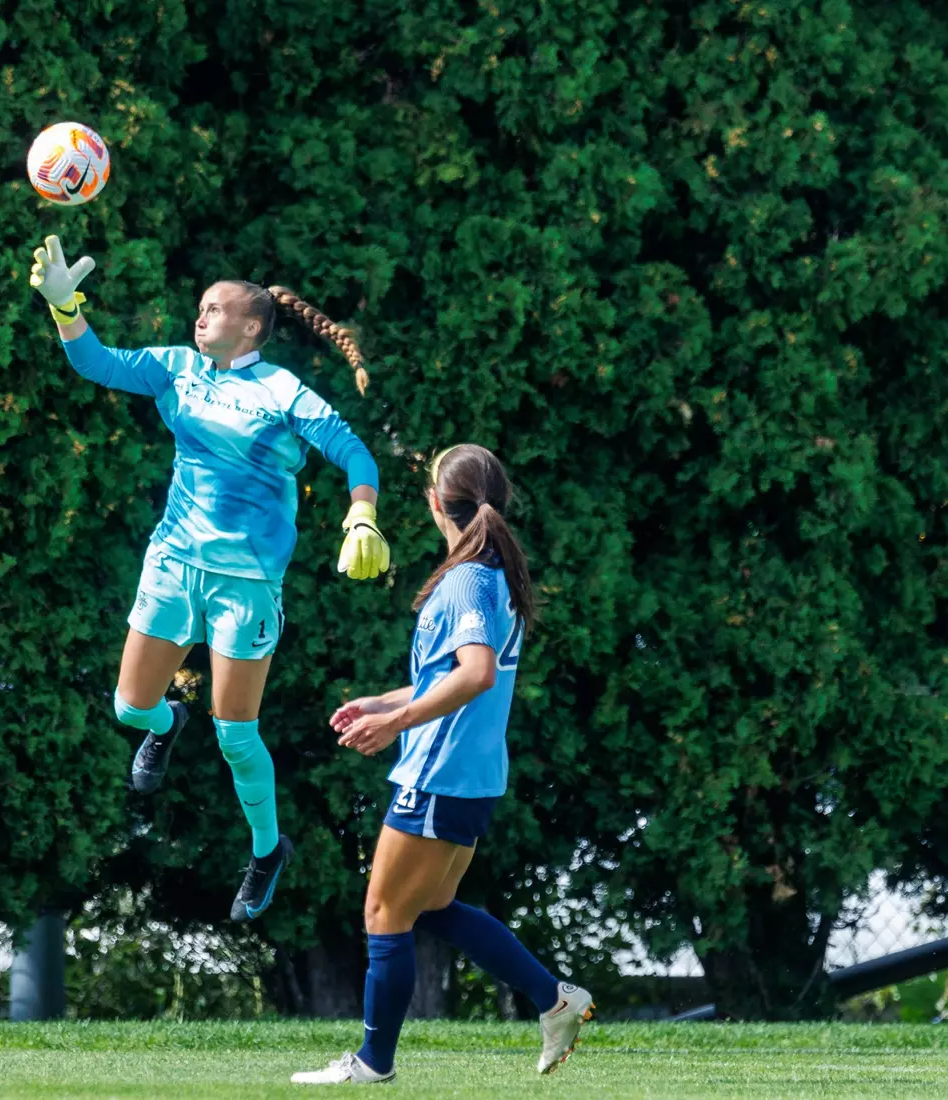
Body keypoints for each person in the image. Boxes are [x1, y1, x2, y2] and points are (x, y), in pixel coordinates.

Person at [29, 235, 389, 920]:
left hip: (245, 585)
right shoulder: (175, 369)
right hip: (172, 562)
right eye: (198, 309)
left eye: (213, 310)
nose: (199, 319)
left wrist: (361, 516)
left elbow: (353, 451)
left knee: (234, 731)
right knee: (130, 708)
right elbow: (96, 362)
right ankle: (166, 725)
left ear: (250, 325)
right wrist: (63, 305)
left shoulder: (282, 390)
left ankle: (265, 849)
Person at [292, 444, 593, 1084]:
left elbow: (476, 674)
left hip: (439, 773)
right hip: (471, 776)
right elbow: (450, 675)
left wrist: (394, 723)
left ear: (435, 504)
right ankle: (555, 999)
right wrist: (385, 700)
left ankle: (373, 1064)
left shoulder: (466, 579)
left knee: (383, 913)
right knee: (432, 905)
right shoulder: (491, 574)